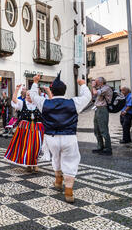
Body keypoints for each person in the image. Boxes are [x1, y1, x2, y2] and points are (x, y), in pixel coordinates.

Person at [30, 72, 92, 203]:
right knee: (70, 161)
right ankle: (68, 190)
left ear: (51, 90)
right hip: (69, 137)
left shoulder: (44, 103)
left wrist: (35, 82)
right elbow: (87, 96)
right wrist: (83, 85)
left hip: (51, 138)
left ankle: (58, 180)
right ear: (65, 91)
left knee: (56, 157)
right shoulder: (73, 103)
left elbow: (33, 95)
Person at [4, 84, 44, 172]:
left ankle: (35, 163)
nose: (28, 97)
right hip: (25, 128)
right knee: (27, 147)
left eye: (30, 95)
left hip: (37, 128)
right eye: (27, 95)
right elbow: (14, 100)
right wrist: (16, 89)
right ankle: (29, 164)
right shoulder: (23, 103)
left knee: (36, 147)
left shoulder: (39, 104)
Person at [92, 77, 113, 156]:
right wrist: (94, 87)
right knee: (96, 129)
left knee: (103, 129)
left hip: (103, 109)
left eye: (96, 82)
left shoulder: (106, 88)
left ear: (101, 82)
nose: (95, 83)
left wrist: (93, 87)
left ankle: (108, 148)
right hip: (97, 109)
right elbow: (93, 96)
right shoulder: (100, 88)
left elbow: (95, 93)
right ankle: (100, 146)